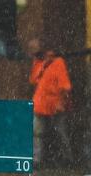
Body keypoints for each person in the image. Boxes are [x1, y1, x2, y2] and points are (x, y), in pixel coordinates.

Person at [28, 38, 72, 167]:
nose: (33, 54)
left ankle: (66, 159)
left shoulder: (58, 62)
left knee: (60, 133)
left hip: (55, 103)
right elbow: (33, 81)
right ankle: (37, 160)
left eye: (35, 51)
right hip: (40, 103)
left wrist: (61, 102)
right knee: (37, 133)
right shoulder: (38, 63)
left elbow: (65, 86)